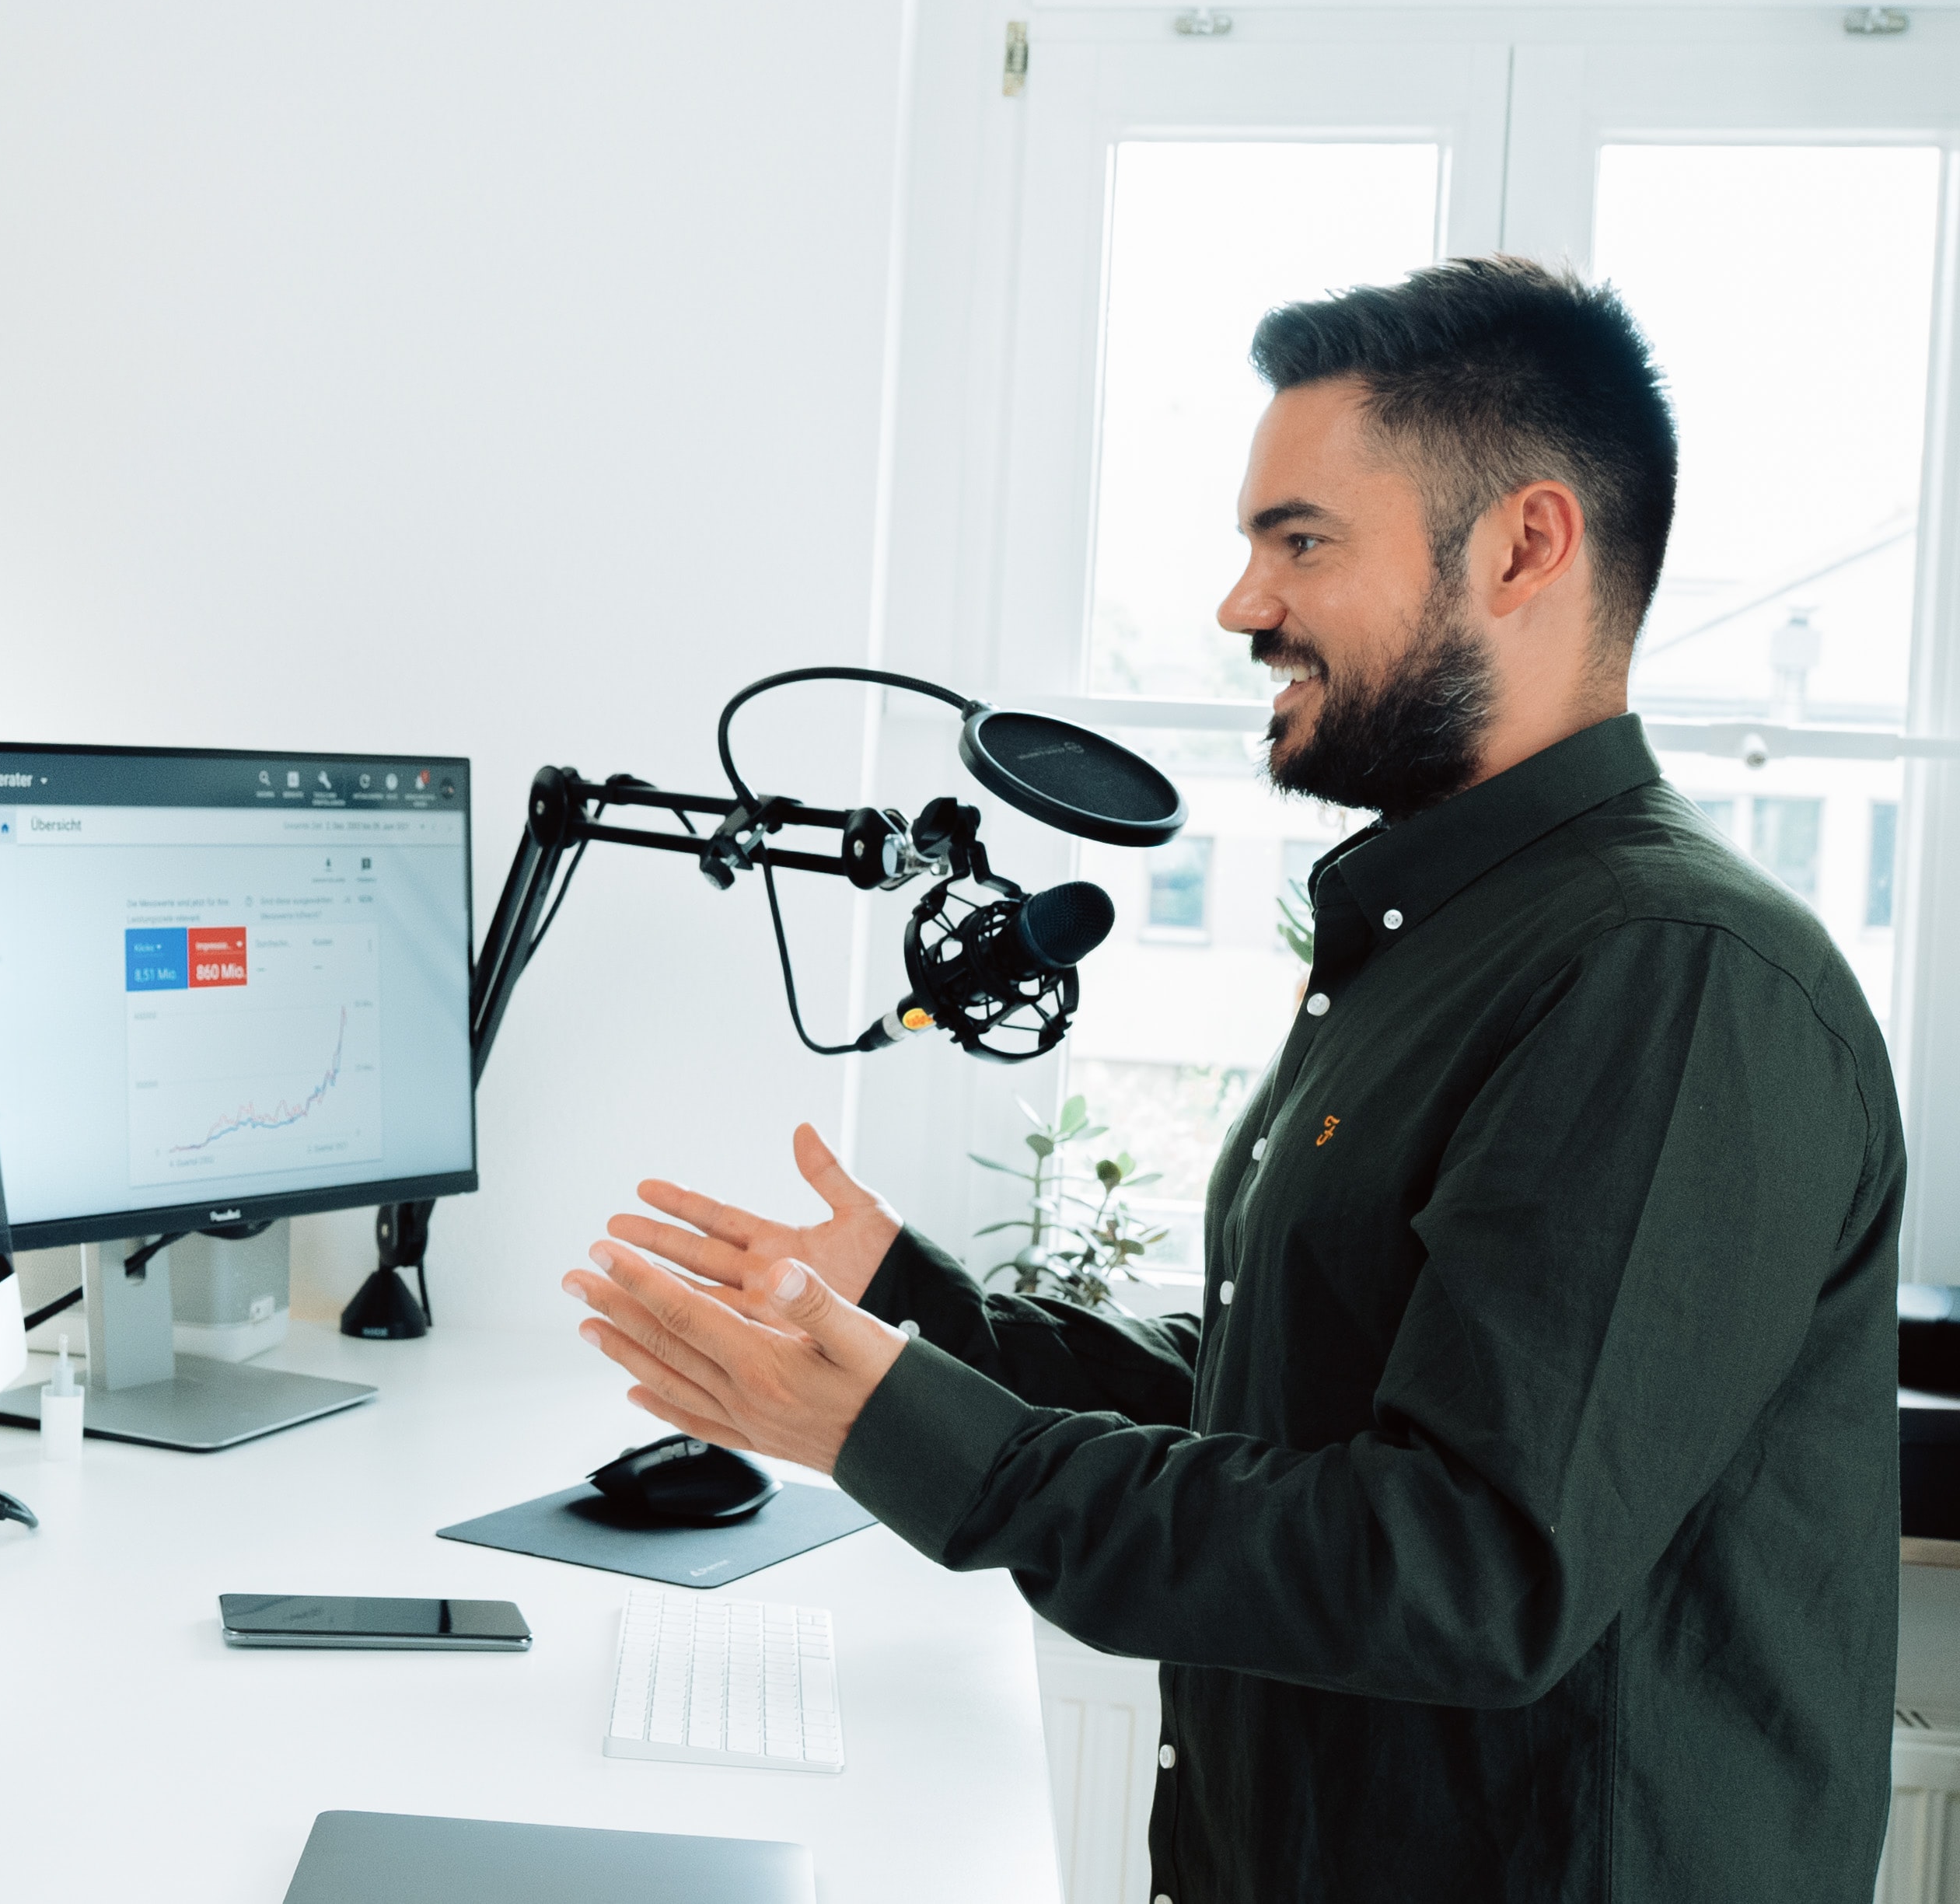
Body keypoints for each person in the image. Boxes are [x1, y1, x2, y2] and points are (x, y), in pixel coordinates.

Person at [565, 257, 1899, 1903]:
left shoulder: (1673, 977)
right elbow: (1291, 1374)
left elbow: (1468, 1564)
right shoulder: (1445, 935)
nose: (1240, 603)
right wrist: (916, 1312)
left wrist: (900, 1427)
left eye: (1301, 540)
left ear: (1524, 545)